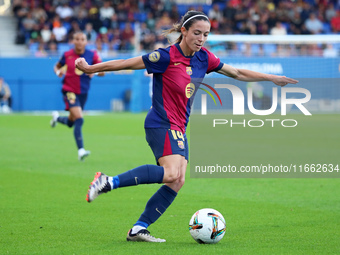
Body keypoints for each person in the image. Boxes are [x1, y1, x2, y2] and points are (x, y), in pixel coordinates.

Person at [75, 10, 298, 242]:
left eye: (206, 34)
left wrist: (270, 77)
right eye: (197, 33)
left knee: (177, 180)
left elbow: (237, 73)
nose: (201, 39)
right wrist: (92, 68)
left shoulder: (205, 58)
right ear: (184, 31)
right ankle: (108, 181)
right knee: (172, 173)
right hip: (161, 123)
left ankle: (138, 228)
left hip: (178, 127)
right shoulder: (166, 56)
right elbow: (126, 62)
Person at [51, 32, 104, 161]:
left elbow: (102, 72)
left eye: (82, 39)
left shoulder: (92, 55)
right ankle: (81, 150)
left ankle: (57, 118)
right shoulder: (67, 55)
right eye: (77, 39)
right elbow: (57, 66)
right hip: (69, 90)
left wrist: (94, 71)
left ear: (86, 42)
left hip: (83, 92)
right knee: (79, 119)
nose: (80, 41)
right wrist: (58, 72)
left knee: (71, 122)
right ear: (73, 41)